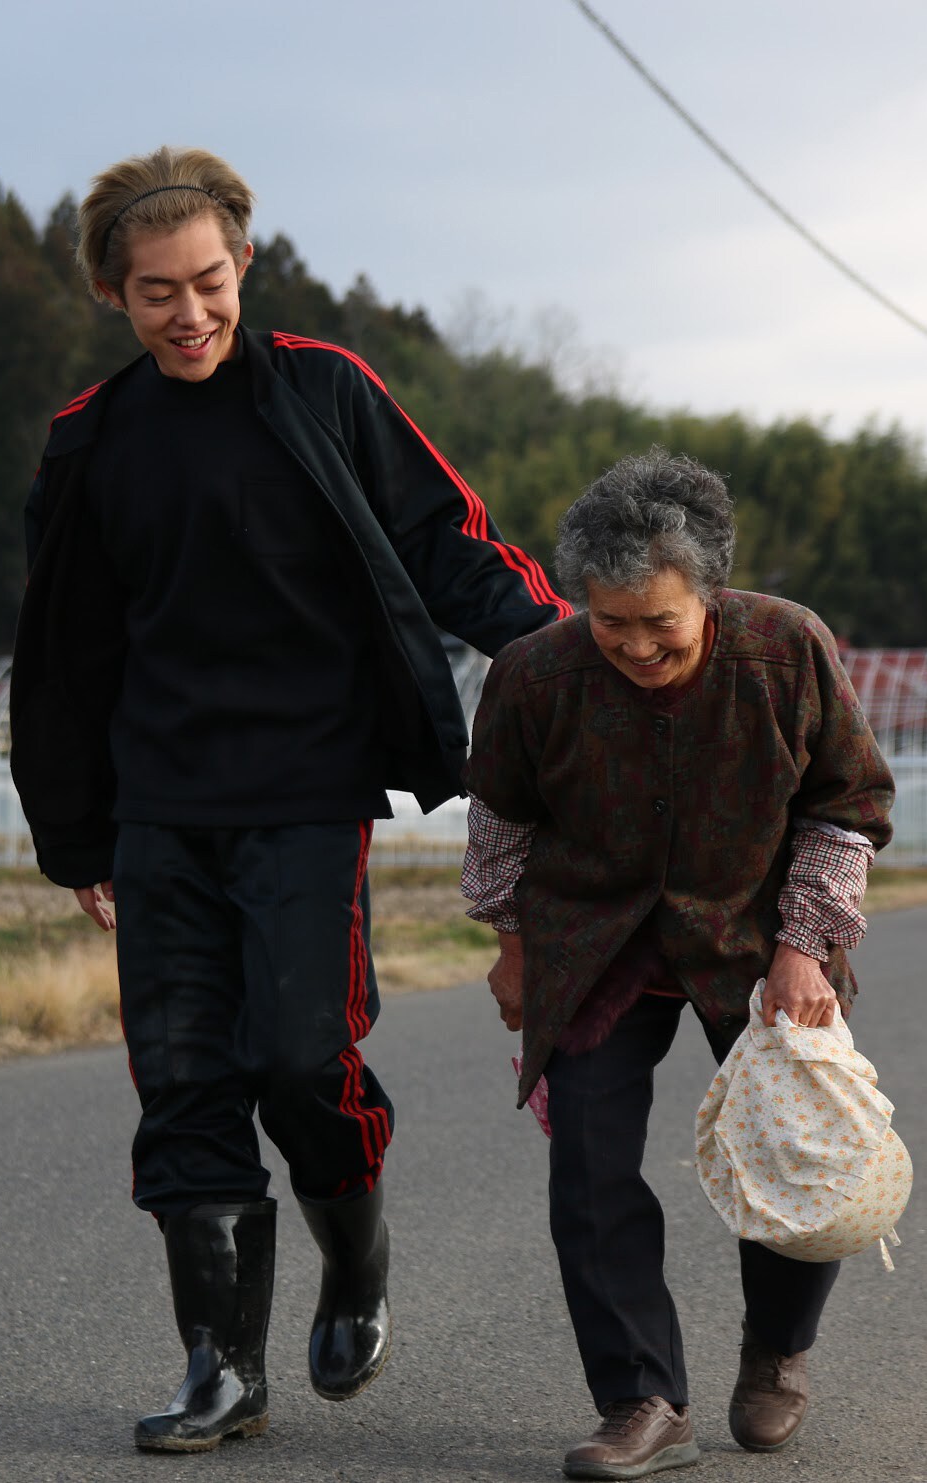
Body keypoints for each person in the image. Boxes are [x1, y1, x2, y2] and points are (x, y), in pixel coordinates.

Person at [9, 144, 571, 1453]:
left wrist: (560, 643)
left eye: (209, 281)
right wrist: (78, 829)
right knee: (188, 1075)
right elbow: (67, 649)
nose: (190, 312)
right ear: (114, 293)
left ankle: (355, 1248)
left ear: (243, 263)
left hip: (308, 790)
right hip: (159, 804)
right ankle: (219, 1364)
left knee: (302, 1055)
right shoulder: (90, 444)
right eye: (157, 292)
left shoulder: (327, 391)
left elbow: (450, 543)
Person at [461, 447, 893, 1480]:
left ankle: (776, 1353)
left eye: (662, 621)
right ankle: (640, 1400)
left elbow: (844, 806)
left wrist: (802, 946)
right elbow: (501, 822)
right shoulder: (536, 674)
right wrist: (510, 945)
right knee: (589, 1174)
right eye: (611, 623)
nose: (637, 645)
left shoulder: (785, 648)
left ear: (708, 590)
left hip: (755, 932)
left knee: (796, 1152)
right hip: (591, 941)